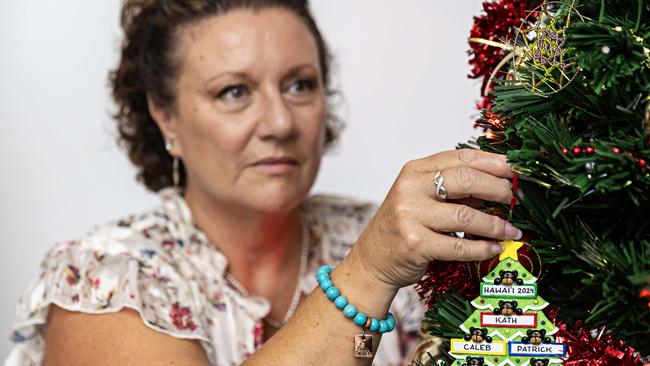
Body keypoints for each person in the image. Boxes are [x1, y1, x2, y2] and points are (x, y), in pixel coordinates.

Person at [4, 1, 521, 365]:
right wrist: (367, 272)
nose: (278, 122)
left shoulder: (393, 236)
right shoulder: (101, 277)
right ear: (165, 118)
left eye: (299, 85)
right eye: (233, 92)